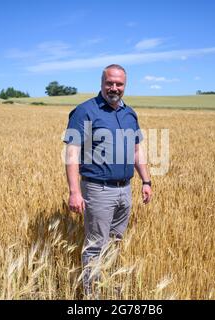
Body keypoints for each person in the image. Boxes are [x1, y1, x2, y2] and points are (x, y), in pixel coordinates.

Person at [63, 64, 152, 298]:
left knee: (115, 242)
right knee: (95, 245)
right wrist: (74, 191)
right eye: (109, 83)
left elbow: (136, 150)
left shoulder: (130, 114)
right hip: (97, 190)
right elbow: (72, 153)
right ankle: (92, 297)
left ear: (125, 85)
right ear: (101, 83)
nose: (114, 87)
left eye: (119, 83)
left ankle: (107, 287)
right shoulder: (85, 111)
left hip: (125, 189)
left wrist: (146, 181)